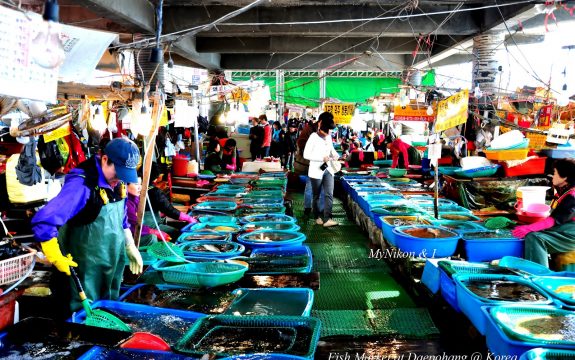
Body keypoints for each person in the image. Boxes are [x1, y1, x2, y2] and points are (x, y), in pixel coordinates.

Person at [31, 138, 143, 316]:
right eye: (118, 173)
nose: (120, 180)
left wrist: (129, 244)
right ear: (105, 159)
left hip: (110, 267)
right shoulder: (81, 184)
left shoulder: (117, 182)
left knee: (107, 312)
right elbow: (44, 220)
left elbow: (122, 219)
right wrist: (55, 256)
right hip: (83, 272)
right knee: (82, 321)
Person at [512, 159, 575, 268]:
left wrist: (529, 228)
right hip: (566, 229)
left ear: (564, 177)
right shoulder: (567, 190)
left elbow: (554, 220)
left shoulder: (572, 196)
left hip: (571, 234)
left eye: (555, 173)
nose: (552, 176)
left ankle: (539, 276)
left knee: (534, 238)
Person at [143, 163, 197, 240]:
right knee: (176, 233)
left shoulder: (140, 187)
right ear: (157, 177)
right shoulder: (154, 191)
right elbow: (169, 210)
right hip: (149, 227)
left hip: (142, 226)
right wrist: (188, 218)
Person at [304, 112, 339, 227]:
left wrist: (335, 155)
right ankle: (317, 216)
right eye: (327, 129)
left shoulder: (328, 137)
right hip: (316, 171)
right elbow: (306, 155)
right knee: (316, 195)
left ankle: (328, 218)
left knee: (329, 193)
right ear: (321, 125)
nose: (329, 132)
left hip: (328, 170)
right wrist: (321, 158)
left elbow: (331, 149)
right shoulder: (313, 137)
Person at [126, 178, 170, 246]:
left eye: (141, 184)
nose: (140, 187)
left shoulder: (135, 198)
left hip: (138, 228)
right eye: (136, 184)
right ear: (125, 185)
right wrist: (154, 232)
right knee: (151, 238)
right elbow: (134, 225)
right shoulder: (127, 202)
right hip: (127, 237)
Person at [295, 118, 323, 217]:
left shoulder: (317, 130)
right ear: (320, 122)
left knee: (319, 187)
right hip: (311, 163)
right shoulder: (310, 130)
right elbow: (301, 143)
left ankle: (319, 208)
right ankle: (308, 208)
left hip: (319, 163)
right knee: (311, 186)